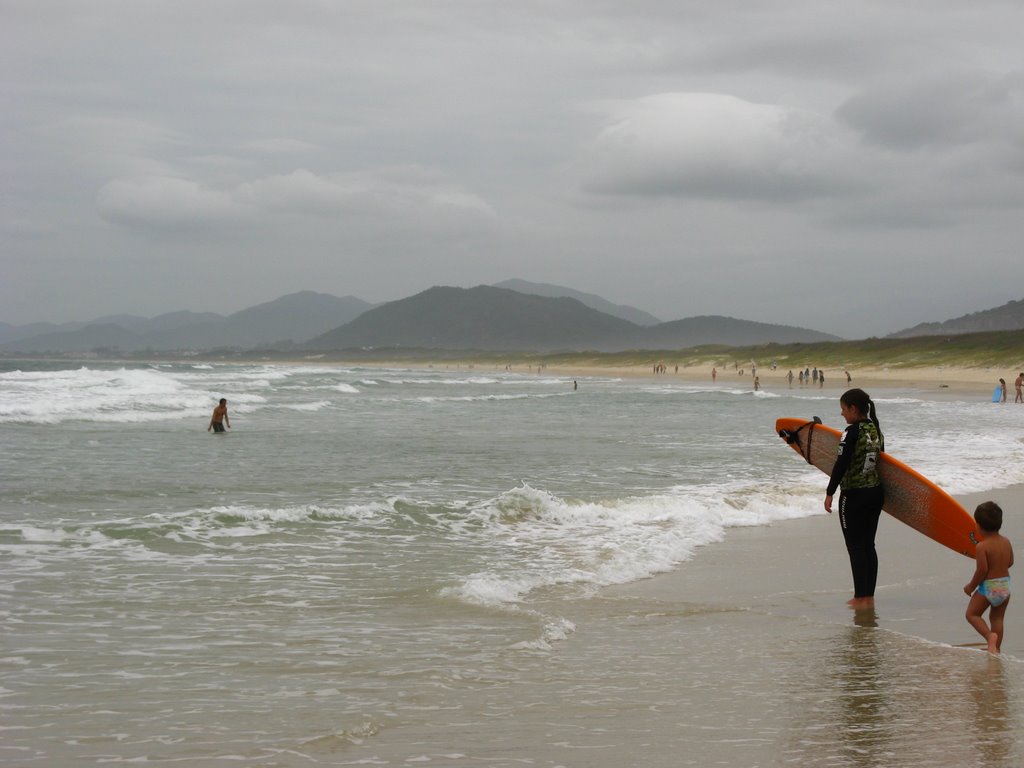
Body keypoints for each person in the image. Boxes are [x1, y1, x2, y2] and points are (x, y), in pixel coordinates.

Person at [824, 388, 885, 609]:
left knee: (855, 547)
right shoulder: (875, 430)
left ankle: (860, 598)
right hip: (875, 493)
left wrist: (830, 492)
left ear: (853, 408)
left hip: (854, 496)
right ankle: (868, 596)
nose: (842, 414)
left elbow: (840, 463)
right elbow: (883, 461)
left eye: (843, 409)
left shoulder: (850, 432)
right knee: (868, 545)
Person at [964, 501, 1013, 653]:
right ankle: (996, 649)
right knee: (997, 619)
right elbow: (1010, 562)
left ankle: (989, 636)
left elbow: (982, 570)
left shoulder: (982, 546)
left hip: (989, 587)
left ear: (978, 526)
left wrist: (971, 586)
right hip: (1005, 586)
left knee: (972, 614)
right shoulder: (1006, 542)